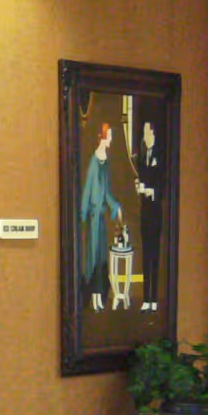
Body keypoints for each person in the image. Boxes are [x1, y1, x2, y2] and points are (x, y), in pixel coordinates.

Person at [79, 121, 122, 311]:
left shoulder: (106, 161)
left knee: (101, 258)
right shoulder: (95, 161)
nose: (111, 139)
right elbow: (88, 189)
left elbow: (107, 192)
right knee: (94, 258)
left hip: (101, 219)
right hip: (93, 218)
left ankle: (99, 297)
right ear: (104, 137)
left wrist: (115, 206)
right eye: (110, 136)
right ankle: (94, 298)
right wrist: (82, 214)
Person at [133, 118, 165, 311]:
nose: (145, 137)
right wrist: (139, 188)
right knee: (145, 254)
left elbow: (163, 184)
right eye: (143, 133)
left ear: (153, 134)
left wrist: (151, 191)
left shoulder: (160, 157)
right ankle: (147, 299)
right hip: (144, 211)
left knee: (155, 255)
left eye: (148, 133)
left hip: (155, 211)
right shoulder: (142, 157)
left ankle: (154, 298)